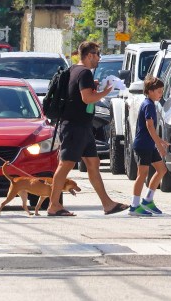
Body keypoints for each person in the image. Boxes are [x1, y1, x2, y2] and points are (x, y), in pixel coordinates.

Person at [46, 41, 127, 217]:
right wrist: (105, 92)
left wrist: (94, 87)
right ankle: (53, 205)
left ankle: (108, 204)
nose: (99, 58)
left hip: (82, 126)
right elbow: (87, 98)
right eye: (97, 54)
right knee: (65, 164)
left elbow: (78, 94)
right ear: (89, 55)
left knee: (93, 163)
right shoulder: (84, 73)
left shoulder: (74, 70)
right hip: (74, 126)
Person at [129, 76, 169, 217]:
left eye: (162, 91)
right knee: (142, 174)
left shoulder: (150, 103)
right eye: (159, 91)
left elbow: (150, 129)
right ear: (150, 91)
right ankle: (134, 206)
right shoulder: (149, 105)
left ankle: (147, 200)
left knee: (161, 170)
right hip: (143, 145)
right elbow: (149, 126)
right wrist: (159, 145)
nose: (161, 94)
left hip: (149, 145)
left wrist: (160, 141)